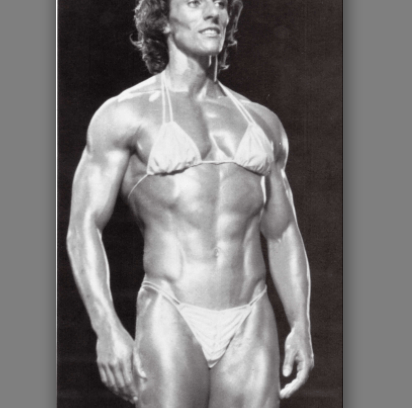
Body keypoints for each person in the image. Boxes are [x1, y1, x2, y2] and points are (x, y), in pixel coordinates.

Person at [66, 0, 314, 406]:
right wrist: (106, 327)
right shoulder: (124, 115)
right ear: (164, 20)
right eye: (196, 2)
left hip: (250, 315)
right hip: (171, 310)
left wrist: (301, 324)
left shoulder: (261, 121)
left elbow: (282, 231)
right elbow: (83, 226)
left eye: (220, 3)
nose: (213, 12)